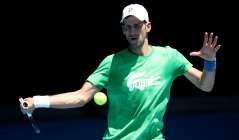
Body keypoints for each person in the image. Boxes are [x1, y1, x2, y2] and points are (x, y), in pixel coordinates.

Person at [20, 3, 221, 140]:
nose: (132, 32)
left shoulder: (169, 57)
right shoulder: (112, 62)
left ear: (148, 26)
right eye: (127, 27)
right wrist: (37, 101)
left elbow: (205, 85)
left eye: (136, 26)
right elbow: (81, 97)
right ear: (123, 30)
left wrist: (210, 62)